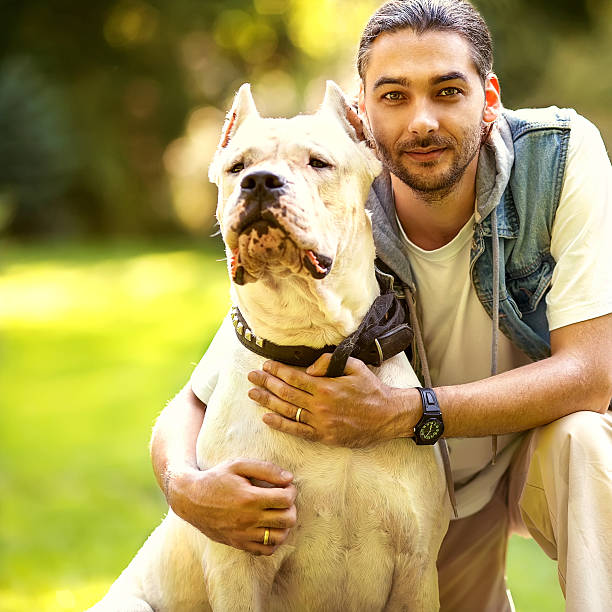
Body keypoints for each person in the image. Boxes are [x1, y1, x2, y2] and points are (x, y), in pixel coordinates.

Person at [151, 0, 612, 609]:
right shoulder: (337, 207)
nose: (421, 121)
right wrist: (185, 488)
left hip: (523, 458)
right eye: (394, 96)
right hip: (422, 486)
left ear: (490, 96)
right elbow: (205, 388)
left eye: (447, 91)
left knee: (586, 439)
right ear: (363, 118)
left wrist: (404, 411)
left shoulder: (557, 160)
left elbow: (594, 373)